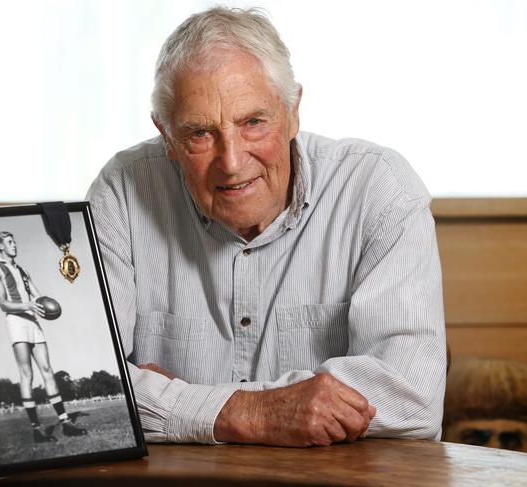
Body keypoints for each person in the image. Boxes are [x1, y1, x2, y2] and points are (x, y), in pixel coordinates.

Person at [87, 7, 446, 446]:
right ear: (167, 136)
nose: (232, 162)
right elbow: (84, 394)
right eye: (200, 133)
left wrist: (175, 401)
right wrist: (252, 412)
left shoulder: (378, 189)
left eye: (253, 122)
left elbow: (412, 400)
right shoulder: (122, 191)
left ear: (293, 111)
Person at [0, 231, 87, 442]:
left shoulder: (23, 270)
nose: (14, 245)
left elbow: (38, 296)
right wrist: (27, 305)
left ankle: (65, 423)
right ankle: (36, 429)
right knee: (27, 374)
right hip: (16, 321)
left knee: (48, 371)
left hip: (33, 321)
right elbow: (2, 303)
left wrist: (50, 306)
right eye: (9, 242)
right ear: (0, 246)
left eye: (14, 241)